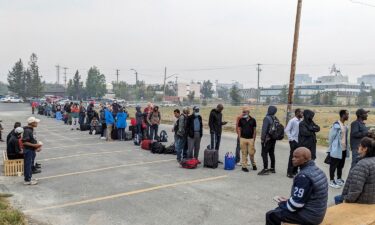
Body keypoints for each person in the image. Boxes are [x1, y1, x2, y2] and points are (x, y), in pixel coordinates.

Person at [265, 147, 328, 225]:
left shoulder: (304, 177)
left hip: (310, 217)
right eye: (293, 156)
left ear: (305, 159)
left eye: (296, 157)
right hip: (318, 213)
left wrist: (282, 203)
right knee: (279, 210)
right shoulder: (317, 170)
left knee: (271, 215)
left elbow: (294, 206)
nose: (293, 159)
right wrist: (288, 201)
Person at [335, 137, 375, 204]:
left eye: (360, 145)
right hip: (371, 198)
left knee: (337, 199)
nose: (358, 147)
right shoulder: (372, 160)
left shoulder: (362, 165)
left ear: (365, 149)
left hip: (362, 201)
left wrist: (346, 201)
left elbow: (355, 190)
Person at [327, 110, 349, 189]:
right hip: (336, 149)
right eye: (347, 114)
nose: (348, 116)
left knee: (340, 165)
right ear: (343, 115)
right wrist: (330, 149)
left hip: (343, 149)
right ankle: (331, 180)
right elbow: (331, 137)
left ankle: (339, 179)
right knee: (333, 165)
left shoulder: (344, 125)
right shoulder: (336, 125)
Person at [22, 117, 43, 185]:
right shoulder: (28, 131)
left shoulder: (30, 129)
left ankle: (29, 178)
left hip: (31, 150)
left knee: (30, 164)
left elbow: (32, 140)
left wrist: (36, 147)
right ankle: (27, 180)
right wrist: (35, 146)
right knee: (28, 165)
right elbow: (25, 142)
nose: (37, 123)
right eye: (36, 122)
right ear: (32, 123)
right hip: (28, 150)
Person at [259, 106, 278, 175]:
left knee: (264, 153)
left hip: (267, 139)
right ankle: (272, 168)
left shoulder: (267, 118)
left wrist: (262, 139)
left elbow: (264, 130)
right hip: (273, 139)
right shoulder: (275, 118)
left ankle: (265, 169)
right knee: (271, 153)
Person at [237, 107, 257, 172]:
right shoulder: (241, 120)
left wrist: (254, 139)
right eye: (243, 112)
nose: (243, 113)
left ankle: (253, 164)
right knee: (244, 153)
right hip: (243, 138)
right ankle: (244, 166)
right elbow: (239, 129)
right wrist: (240, 137)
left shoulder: (253, 120)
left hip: (250, 139)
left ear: (248, 112)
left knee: (251, 153)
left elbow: (254, 130)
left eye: (244, 112)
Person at [285, 108, 303, 178]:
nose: (302, 114)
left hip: (300, 141)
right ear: (297, 113)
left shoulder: (301, 121)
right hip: (294, 141)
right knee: (292, 157)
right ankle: (289, 172)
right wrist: (291, 139)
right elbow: (287, 130)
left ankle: (295, 171)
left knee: (298, 157)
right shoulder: (292, 121)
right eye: (301, 113)